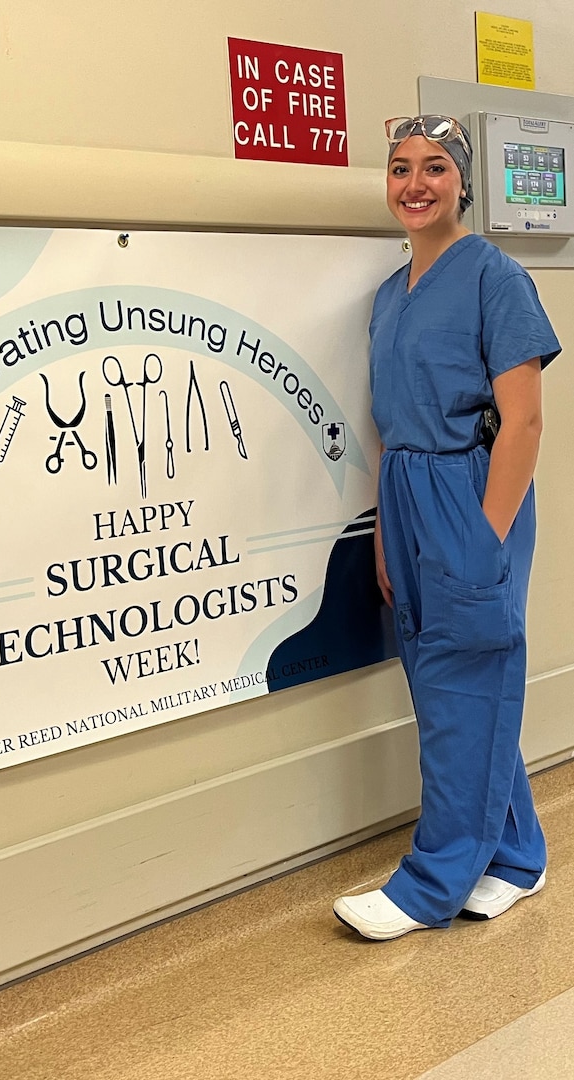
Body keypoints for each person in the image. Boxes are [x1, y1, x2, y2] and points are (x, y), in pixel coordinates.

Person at [333, 115, 560, 941]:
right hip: (405, 491)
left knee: (467, 674)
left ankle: (431, 880)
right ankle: (515, 855)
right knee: (443, 684)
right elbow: (392, 425)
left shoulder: (493, 278)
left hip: (472, 489)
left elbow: (524, 423)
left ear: (463, 181)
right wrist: (389, 535)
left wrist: (480, 541)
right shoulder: (390, 296)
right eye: (399, 168)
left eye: (434, 167)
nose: (414, 184)